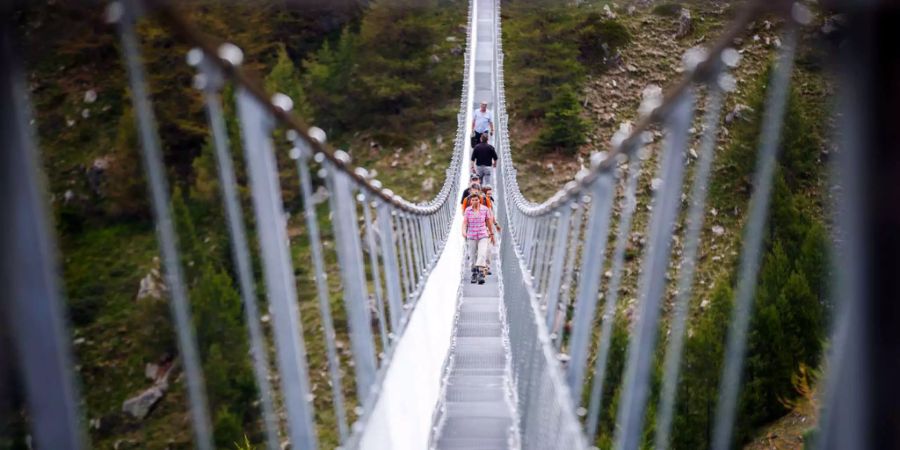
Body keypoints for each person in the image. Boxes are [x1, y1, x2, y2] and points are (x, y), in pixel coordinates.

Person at [462, 194, 495, 284]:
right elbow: (465, 222)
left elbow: (488, 221)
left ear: (479, 200)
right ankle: (474, 272)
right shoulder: (468, 210)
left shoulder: (485, 209)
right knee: (472, 256)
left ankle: (480, 273)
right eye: (472, 200)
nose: (474, 202)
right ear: (470, 201)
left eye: (476, 200)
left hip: (482, 235)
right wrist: (464, 231)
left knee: (482, 253)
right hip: (471, 236)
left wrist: (491, 233)